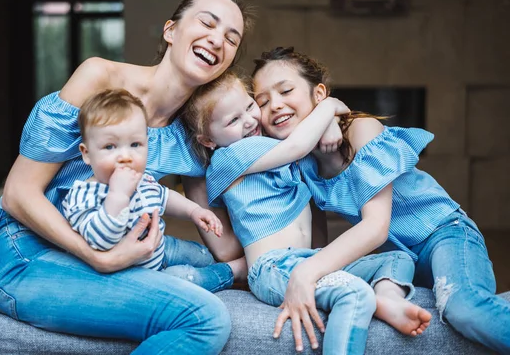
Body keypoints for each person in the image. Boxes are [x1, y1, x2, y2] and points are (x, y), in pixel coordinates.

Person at [0, 0, 255, 354]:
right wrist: (99, 257)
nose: (217, 39)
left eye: (231, 38)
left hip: (110, 249)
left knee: (203, 264)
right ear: (171, 31)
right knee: (204, 318)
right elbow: (16, 195)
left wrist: (291, 154)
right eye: (207, 23)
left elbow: (222, 247)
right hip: (24, 253)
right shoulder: (99, 79)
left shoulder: (193, 137)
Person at [251, 46, 510, 354]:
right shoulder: (300, 165)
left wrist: (305, 273)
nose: (275, 105)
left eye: (286, 91)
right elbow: (316, 244)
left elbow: (376, 228)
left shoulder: (363, 130)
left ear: (319, 94)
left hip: (444, 234)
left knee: (462, 307)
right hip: (398, 259)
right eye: (262, 102)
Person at [181, 71, 431, 354]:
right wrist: (330, 107)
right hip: (273, 267)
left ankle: (386, 299)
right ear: (208, 141)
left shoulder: (271, 151)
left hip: (307, 260)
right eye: (233, 121)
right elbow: (298, 145)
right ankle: (367, 301)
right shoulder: (229, 157)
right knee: (354, 293)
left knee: (398, 258)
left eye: (250, 107)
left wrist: (331, 127)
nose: (250, 120)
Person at [62, 88, 235, 292]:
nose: (125, 156)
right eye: (110, 147)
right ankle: (229, 273)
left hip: (161, 247)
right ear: (87, 154)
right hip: (134, 275)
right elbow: (100, 241)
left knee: (202, 255)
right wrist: (118, 196)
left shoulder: (141, 180)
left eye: (135, 144)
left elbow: (164, 197)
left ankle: (213, 264)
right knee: (183, 279)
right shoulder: (83, 196)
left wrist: (194, 211)